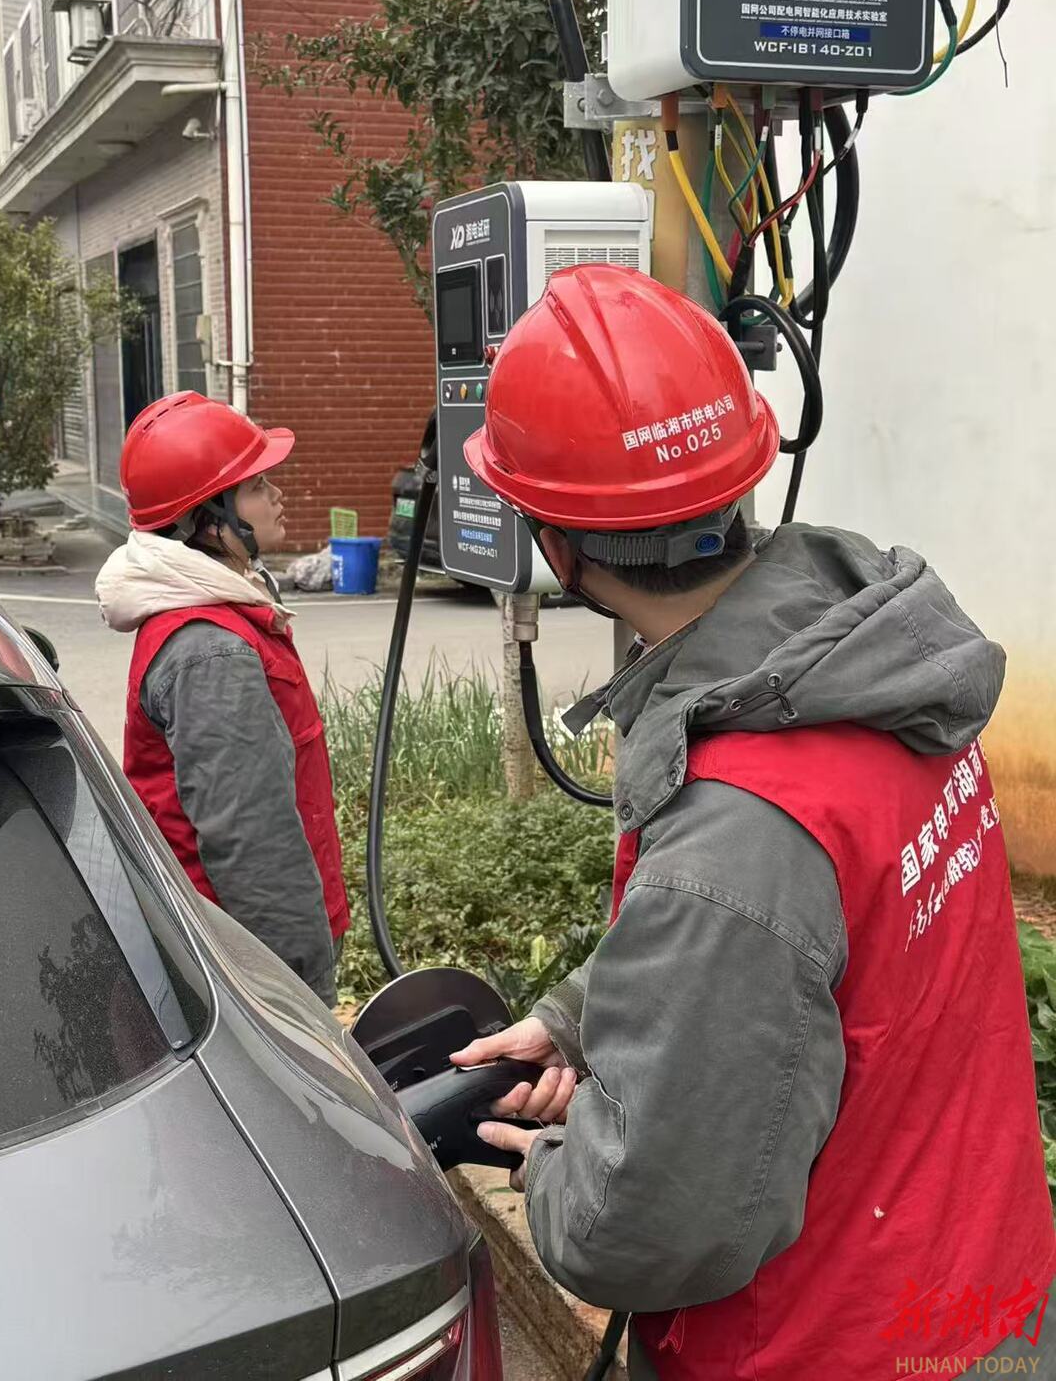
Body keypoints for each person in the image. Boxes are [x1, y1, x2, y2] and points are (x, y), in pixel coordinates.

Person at [452, 267, 1055, 1379]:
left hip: (832, 1347)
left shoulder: (738, 830)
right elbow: (816, 939)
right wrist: (585, 1019)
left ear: (557, 547)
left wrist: (555, 1174)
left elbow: (654, 1225)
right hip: (980, 1287)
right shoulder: (872, 665)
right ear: (744, 475)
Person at [96, 391, 348, 1006]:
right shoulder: (210, 650)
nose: (277, 494)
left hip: (240, 949)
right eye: (257, 486)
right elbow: (252, 843)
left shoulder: (217, 613)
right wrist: (300, 992)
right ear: (207, 520)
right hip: (254, 964)